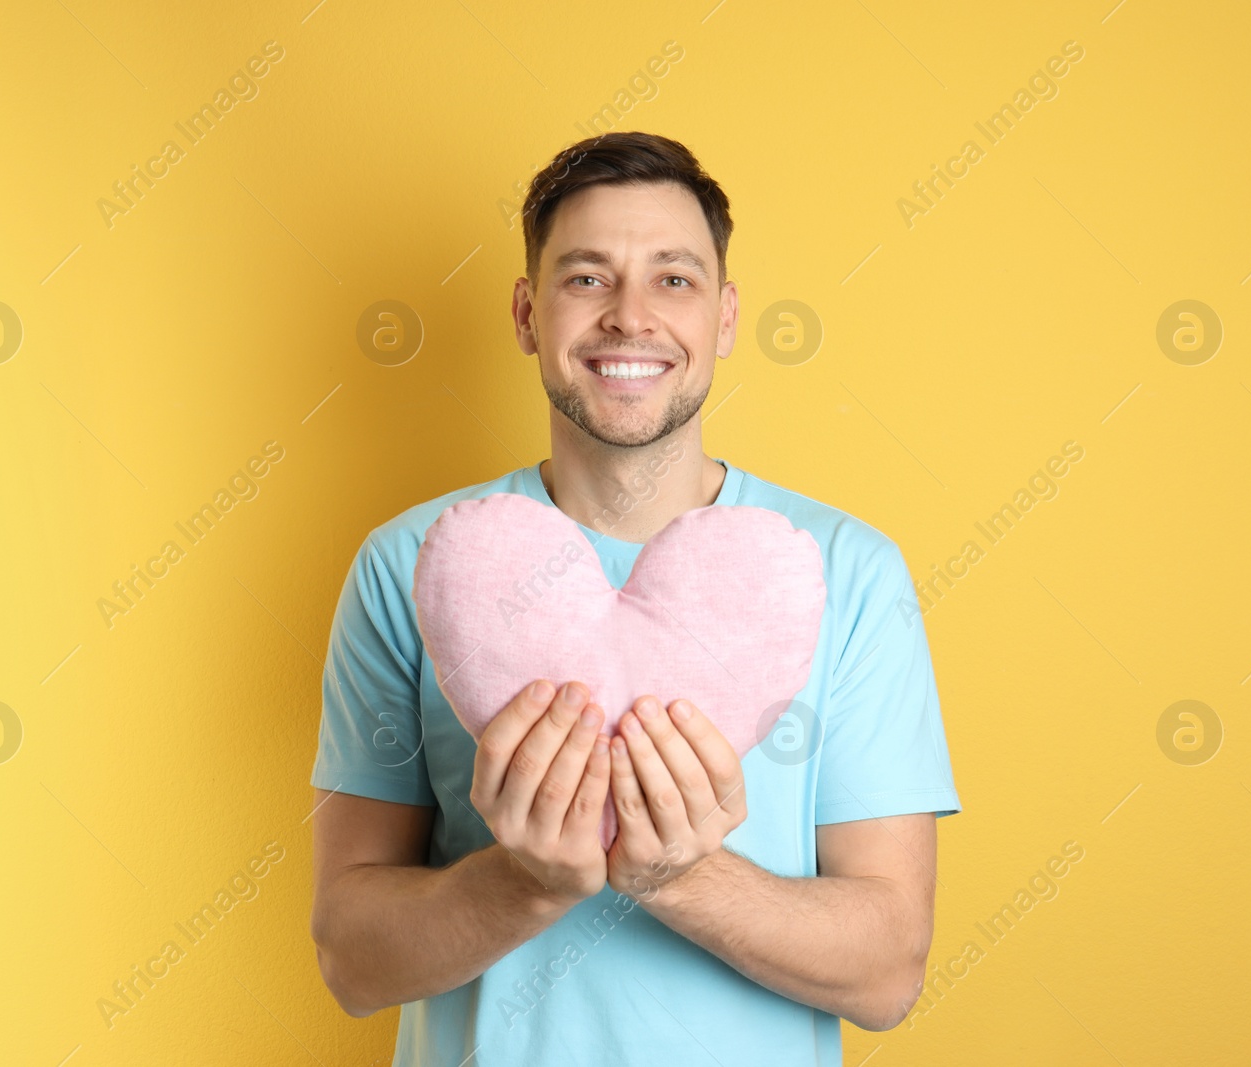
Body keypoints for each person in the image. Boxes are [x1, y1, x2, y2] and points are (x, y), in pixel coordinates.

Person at [308, 130, 961, 1065]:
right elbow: (349, 957)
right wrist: (527, 882)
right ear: (529, 315)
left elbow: (889, 968)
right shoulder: (413, 564)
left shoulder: (845, 571)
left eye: (674, 279)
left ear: (726, 318)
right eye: (586, 278)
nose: (629, 317)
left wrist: (680, 876)